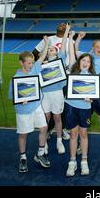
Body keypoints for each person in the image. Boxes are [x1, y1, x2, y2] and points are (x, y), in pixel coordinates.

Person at [8, 37, 50, 173]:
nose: (31, 65)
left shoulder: (35, 69)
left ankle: (40, 153)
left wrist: (47, 42)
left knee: (44, 128)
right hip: (23, 110)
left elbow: (42, 56)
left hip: (36, 105)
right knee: (23, 134)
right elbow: (11, 96)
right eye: (29, 63)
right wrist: (21, 100)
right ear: (22, 63)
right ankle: (23, 158)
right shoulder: (16, 78)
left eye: (32, 62)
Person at [33, 23, 70, 141]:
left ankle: (62, 129)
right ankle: (48, 130)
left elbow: (69, 52)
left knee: (60, 109)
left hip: (62, 79)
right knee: (47, 113)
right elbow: (35, 52)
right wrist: (42, 62)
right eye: (60, 24)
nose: (61, 25)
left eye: (64, 24)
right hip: (47, 85)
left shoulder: (69, 41)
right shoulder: (48, 39)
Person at [65, 36, 95, 177]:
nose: (85, 63)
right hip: (71, 106)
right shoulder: (72, 70)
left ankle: (84, 160)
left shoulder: (92, 77)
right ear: (79, 61)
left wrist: (91, 98)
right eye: (83, 60)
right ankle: (72, 162)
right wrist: (71, 38)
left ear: (90, 64)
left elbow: (95, 95)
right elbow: (71, 53)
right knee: (73, 134)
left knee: (83, 134)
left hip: (84, 109)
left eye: (88, 61)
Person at [41, 25, 71, 155]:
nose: (50, 51)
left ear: (57, 52)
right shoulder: (43, 64)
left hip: (57, 93)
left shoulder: (61, 60)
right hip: (45, 94)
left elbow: (64, 44)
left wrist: (67, 32)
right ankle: (44, 143)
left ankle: (59, 141)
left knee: (57, 117)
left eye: (52, 49)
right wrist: (47, 43)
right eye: (48, 50)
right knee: (46, 118)